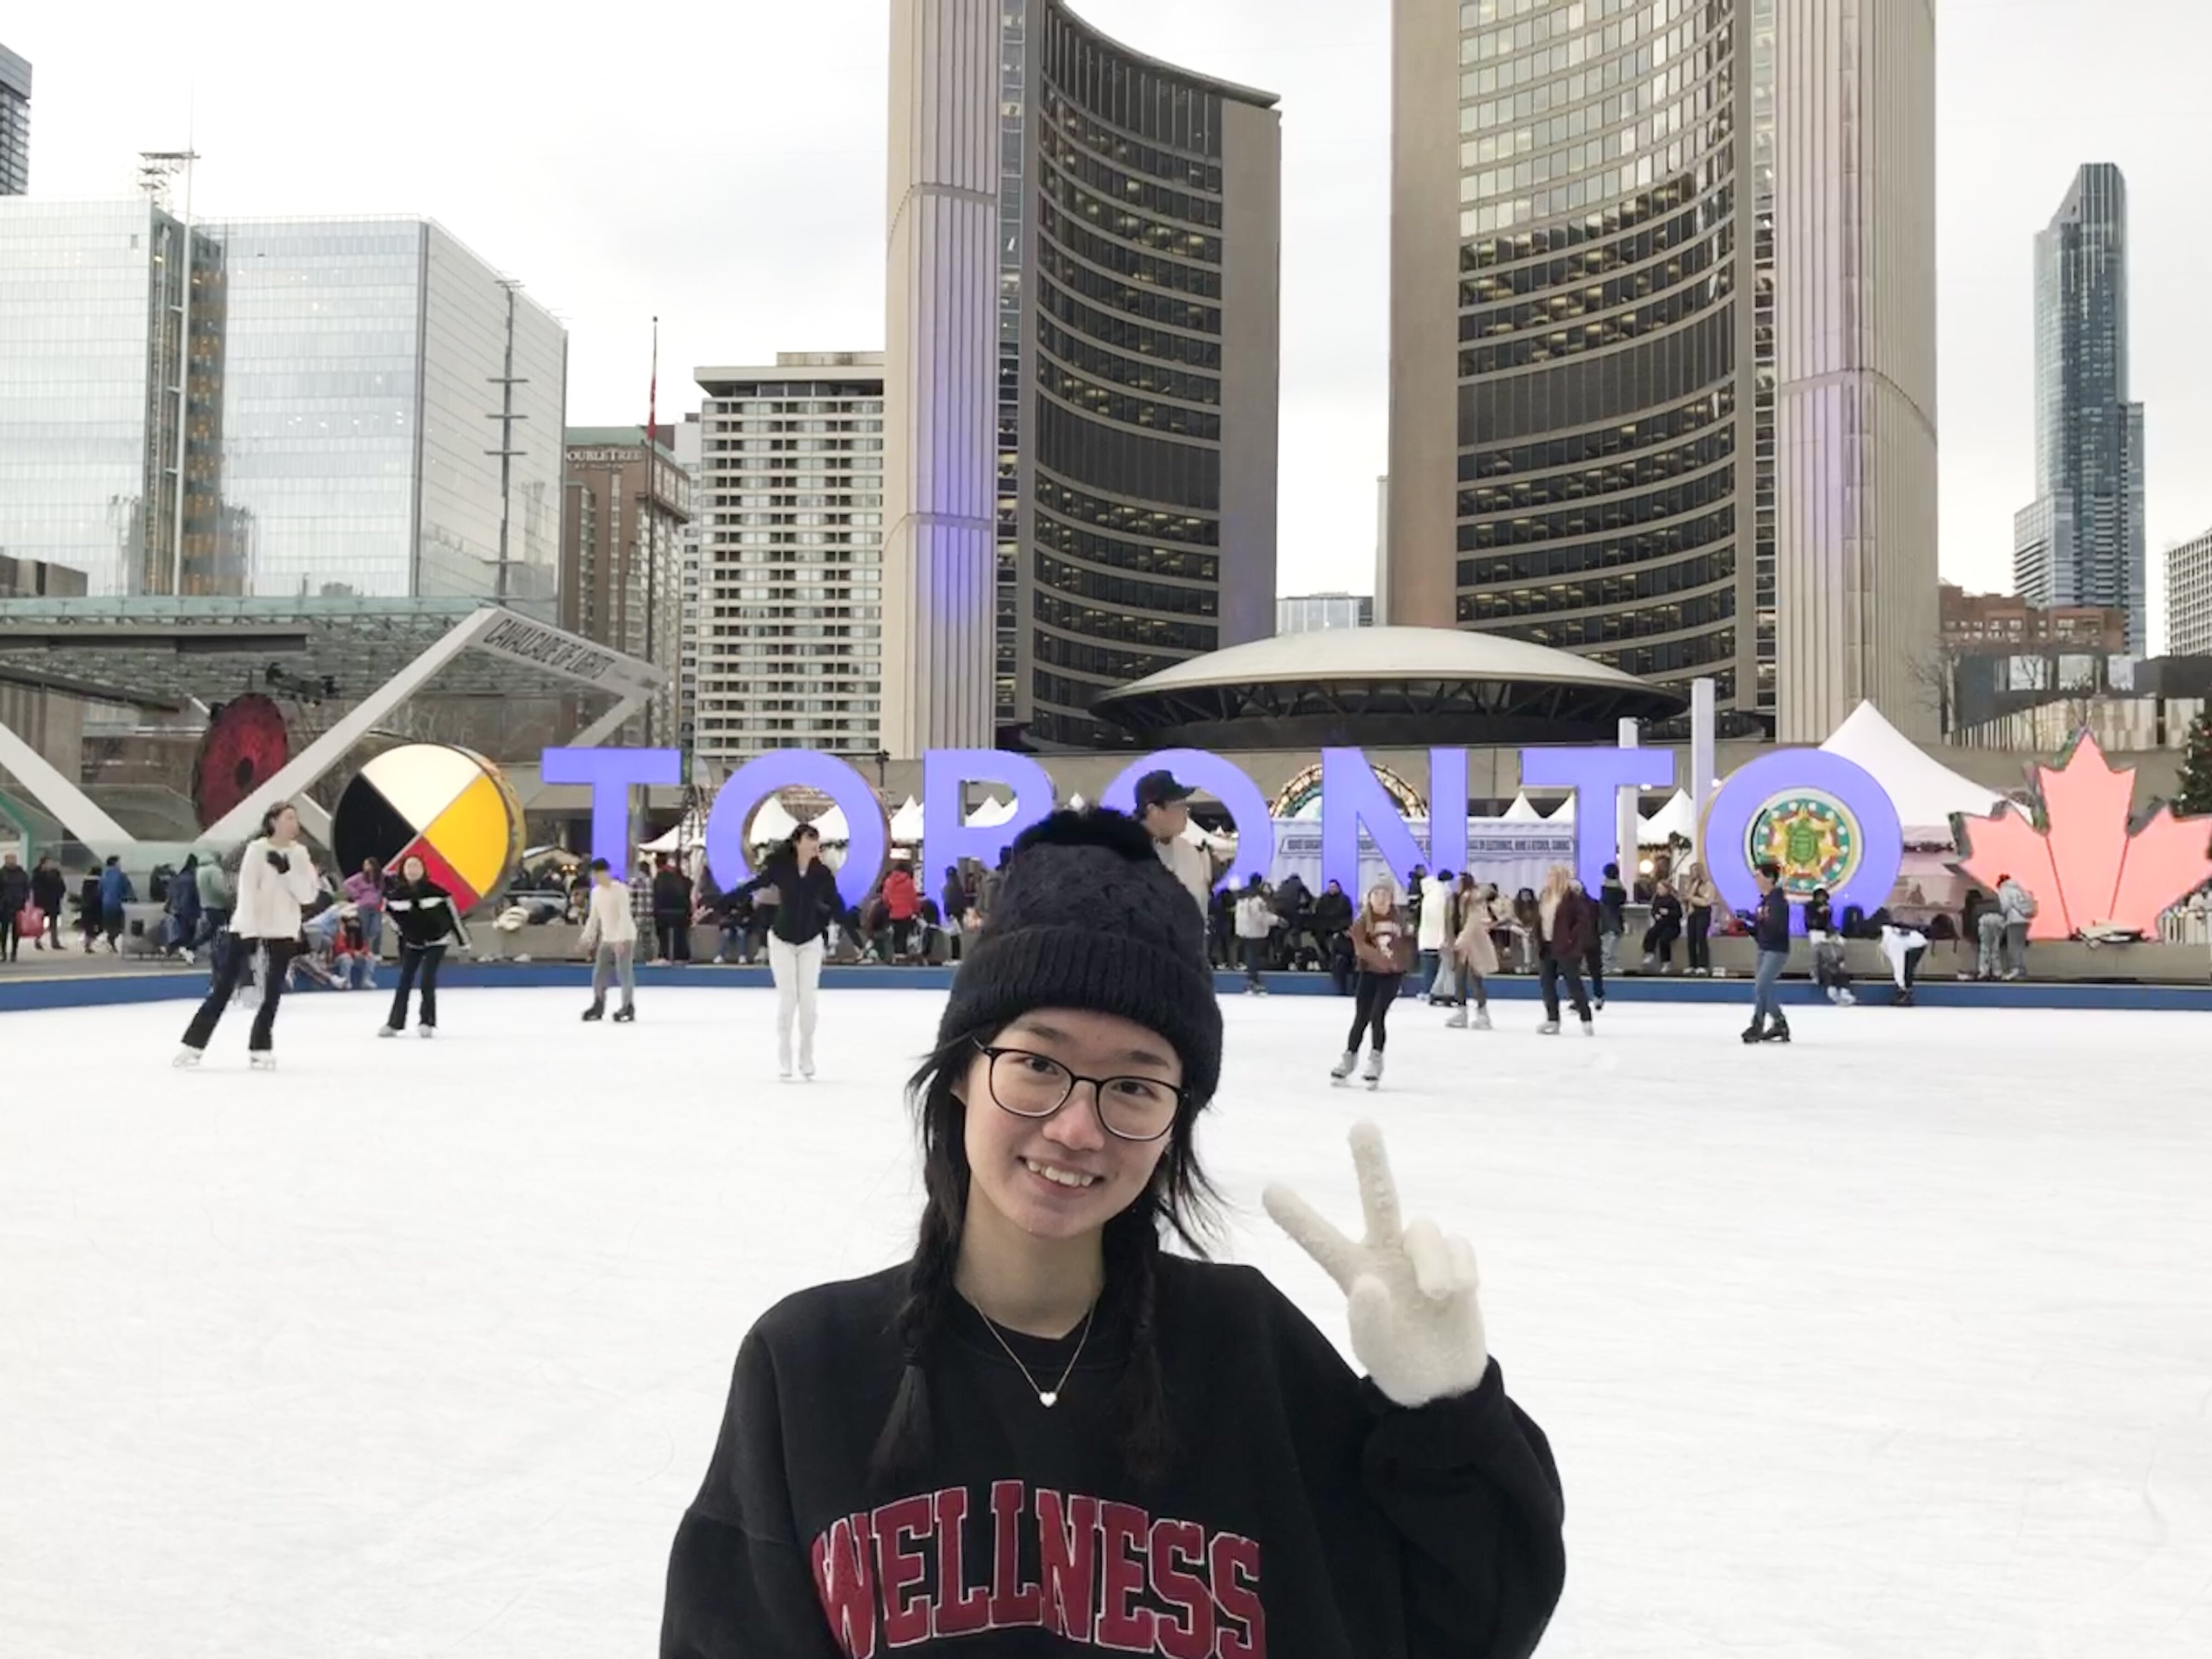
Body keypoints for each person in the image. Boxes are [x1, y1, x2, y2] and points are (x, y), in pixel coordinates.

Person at [658, 808, 1565, 1658]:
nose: (1076, 1127)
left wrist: (1449, 1412)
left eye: (1133, 1084)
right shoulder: (811, 1364)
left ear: (1176, 1118)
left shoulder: (1245, 1348)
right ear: (963, 1074)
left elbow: (1464, 1620)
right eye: (1037, 1064)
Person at [175, 803, 319, 1069]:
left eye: (295, 818)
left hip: (284, 929)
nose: (294, 823)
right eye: (288, 817)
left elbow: (307, 895)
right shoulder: (257, 850)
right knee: (224, 987)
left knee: (273, 992)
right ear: (273, 821)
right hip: (249, 926)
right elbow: (247, 891)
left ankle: (261, 1047)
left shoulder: (300, 854)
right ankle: (193, 1045)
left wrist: (287, 872)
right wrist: (248, 929)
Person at [731, 825, 843, 1080]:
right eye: (810, 839)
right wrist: (716, 903)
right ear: (797, 842)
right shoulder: (781, 869)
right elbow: (752, 886)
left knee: (809, 1002)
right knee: (789, 999)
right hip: (781, 940)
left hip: (810, 941)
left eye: (817, 839)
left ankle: (807, 1056)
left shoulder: (822, 873)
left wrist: (857, 937)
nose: (816, 844)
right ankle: (785, 1056)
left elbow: (837, 903)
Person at [1331, 883, 1412, 1088]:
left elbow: (1407, 946)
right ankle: (1349, 1059)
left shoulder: (1400, 920)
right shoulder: (1363, 922)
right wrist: (1382, 960)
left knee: (1378, 1015)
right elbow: (1361, 949)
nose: (1381, 898)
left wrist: (1399, 966)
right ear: (1370, 898)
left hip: (1392, 976)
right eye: (1376, 894)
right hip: (1369, 974)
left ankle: (1375, 1061)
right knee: (1361, 1018)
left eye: (1385, 894)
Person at [382, 854, 471, 1036]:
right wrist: (403, 933)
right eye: (409, 867)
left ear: (423, 870)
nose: (413, 871)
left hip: (437, 940)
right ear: (403, 871)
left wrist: (464, 943)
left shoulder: (438, 893)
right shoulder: (395, 897)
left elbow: (454, 919)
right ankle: (395, 1023)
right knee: (404, 981)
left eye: (416, 866)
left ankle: (427, 1021)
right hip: (413, 942)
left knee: (427, 979)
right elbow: (391, 918)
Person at [1133, 768, 1215, 912]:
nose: (1186, 813)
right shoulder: (1123, 855)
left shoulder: (1189, 852)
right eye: (1179, 806)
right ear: (1154, 811)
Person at [1533, 865, 1596, 1036]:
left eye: (1553, 875)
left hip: (1565, 947)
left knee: (1573, 984)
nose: (1549, 878)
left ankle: (1586, 1017)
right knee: (1547, 984)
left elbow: (1583, 922)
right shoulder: (1545, 896)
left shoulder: (1572, 899)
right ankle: (1553, 1019)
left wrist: (1571, 939)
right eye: (1549, 875)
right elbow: (1540, 920)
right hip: (1547, 945)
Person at [579, 857, 640, 1024]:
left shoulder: (620, 890)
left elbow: (624, 916)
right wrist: (586, 938)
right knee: (599, 972)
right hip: (608, 938)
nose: (595, 877)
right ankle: (599, 1003)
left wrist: (620, 940)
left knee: (624, 972)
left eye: (598, 873)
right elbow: (594, 919)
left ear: (606, 872)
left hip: (625, 936)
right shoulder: (596, 893)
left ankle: (628, 1005)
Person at [1742, 860, 1793, 1044]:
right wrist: (1748, 924)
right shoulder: (1765, 901)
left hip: (1776, 950)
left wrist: (1758, 921)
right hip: (1765, 948)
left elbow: (1777, 928)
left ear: (1770, 878)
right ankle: (1780, 1024)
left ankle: (1758, 1025)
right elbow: (1762, 929)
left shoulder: (1778, 902)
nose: (1756, 879)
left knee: (1761, 987)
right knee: (1764, 989)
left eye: (1759, 875)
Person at [1447, 880, 1508, 1030]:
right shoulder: (1462, 902)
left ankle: (1482, 1014)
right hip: (1465, 946)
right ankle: (1462, 1011)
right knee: (1460, 979)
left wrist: (1459, 942)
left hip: (1474, 946)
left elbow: (1473, 925)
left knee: (1474, 980)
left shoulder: (1476, 906)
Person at [1805, 887, 1855, 1006]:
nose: (1822, 898)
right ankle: (1832, 989)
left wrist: (1831, 932)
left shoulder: (1829, 908)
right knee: (1826, 962)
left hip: (1827, 934)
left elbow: (1828, 923)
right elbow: (1811, 922)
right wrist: (1819, 913)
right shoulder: (1809, 907)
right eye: (1820, 895)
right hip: (1816, 932)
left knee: (1837, 966)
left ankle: (1844, 991)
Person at [1233, 874, 1279, 994]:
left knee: (1250, 956)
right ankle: (1253, 981)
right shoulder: (1257, 900)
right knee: (1254, 958)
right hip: (1255, 931)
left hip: (1244, 930)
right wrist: (1277, 920)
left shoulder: (1242, 897)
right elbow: (1261, 916)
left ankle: (1251, 980)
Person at [1416, 867, 1454, 998]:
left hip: (1427, 937)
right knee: (1442, 969)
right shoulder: (1443, 895)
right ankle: (1437, 992)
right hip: (1440, 936)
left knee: (1428, 967)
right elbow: (1444, 918)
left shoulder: (1429, 893)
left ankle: (1427, 990)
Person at [1878, 912, 1931, 1006]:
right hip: (1911, 943)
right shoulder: (1888, 936)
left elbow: (1898, 963)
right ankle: (1904, 992)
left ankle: (1906, 994)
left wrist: (1900, 982)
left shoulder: (1892, 941)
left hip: (1918, 944)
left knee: (1907, 968)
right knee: (1906, 969)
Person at [1678, 860, 1719, 975]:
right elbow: (1687, 897)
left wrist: (1691, 898)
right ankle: (1692, 964)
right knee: (1691, 939)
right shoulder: (1691, 884)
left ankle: (1703, 965)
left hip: (1703, 912)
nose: (1693, 874)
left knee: (1701, 938)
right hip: (1692, 913)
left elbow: (1707, 901)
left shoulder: (1708, 885)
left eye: (1695, 871)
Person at [652, 856, 695, 965]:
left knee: (663, 936)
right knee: (681, 934)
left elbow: (656, 896)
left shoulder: (659, 878)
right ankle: (682, 956)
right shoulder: (683, 879)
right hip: (681, 911)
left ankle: (664, 955)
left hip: (663, 911)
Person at [342, 857, 386, 955]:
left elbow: (390, 876)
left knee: (377, 930)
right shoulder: (360, 877)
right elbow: (347, 884)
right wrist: (356, 895)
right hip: (363, 906)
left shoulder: (381, 877)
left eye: (368, 865)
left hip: (376, 907)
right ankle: (365, 951)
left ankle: (376, 952)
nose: (366, 867)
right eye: (365, 865)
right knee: (364, 930)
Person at [1996, 873, 2036, 980]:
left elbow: (2004, 906)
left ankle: (2015, 969)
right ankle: (2021, 970)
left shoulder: (2004, 890)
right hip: (2025, 920)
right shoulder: (2021, 890)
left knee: (2013, 946)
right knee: (2020, 946)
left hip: (2014, 920)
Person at [1641, 877, 1683, 974]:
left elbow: (1679, 914)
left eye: (1660, 888)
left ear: (1667, 889)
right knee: (1651, 933)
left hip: (1672, 926)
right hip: (1660, 924)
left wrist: (1668, 912)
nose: (1658, 891)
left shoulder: (1674, 901)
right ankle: (1649, 953)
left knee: (1664, 940)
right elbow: (1654, 910)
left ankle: (1666, 962)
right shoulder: (1657, 899)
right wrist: (1656, 915)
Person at [882, 860, 921, 961]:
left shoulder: (889, 881)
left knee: (896, 936)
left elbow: (885, 898)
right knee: (903, 936)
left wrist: (889, 907)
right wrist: (917, 910)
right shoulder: (909, 882)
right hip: (906, 914)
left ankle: (896, 955)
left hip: (893, 914)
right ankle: (903, 956)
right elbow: (913, 899)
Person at [1596, 861, 1628, 977]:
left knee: (1609, 943)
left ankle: (1609, 966)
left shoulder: (1605, 887)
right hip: (1613, 918)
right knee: (1611, 943)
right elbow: (1622, 900)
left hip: (1608, 918)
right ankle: (1608, 966)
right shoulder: (1616, 888)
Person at [30, 856, 67, 953]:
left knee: (53, 922)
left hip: (53, 901)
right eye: (49, 863)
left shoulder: (55, 873)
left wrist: (59, 894)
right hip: (42, 901)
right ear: (43, 863)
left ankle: (55, 942)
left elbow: (62, 886)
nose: (51, 865)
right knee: (40, 923)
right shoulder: (37, 873)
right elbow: (34, 887)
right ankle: (38, 940)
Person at [99, 854, 136, 951]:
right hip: (118, 904)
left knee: (110, 925)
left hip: (106, 904)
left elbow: (100, 890)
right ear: (115, 864)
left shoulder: (104, 876)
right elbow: (128, 890)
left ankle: (111, 941)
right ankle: (114, 942)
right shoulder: (121, 875)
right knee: (121, 925)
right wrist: (132, 899)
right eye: (119, 863)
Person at [0, 850, 29, 962]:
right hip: (4, 906)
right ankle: (3, 952)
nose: (12, 861)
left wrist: (24, 899)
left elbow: (27, 887)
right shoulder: (2, 873)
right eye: (10, 859)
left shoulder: (22, 874)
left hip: (18, 905)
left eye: (14, 859)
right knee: (4, 930)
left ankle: (14, 951)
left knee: (16, 931)